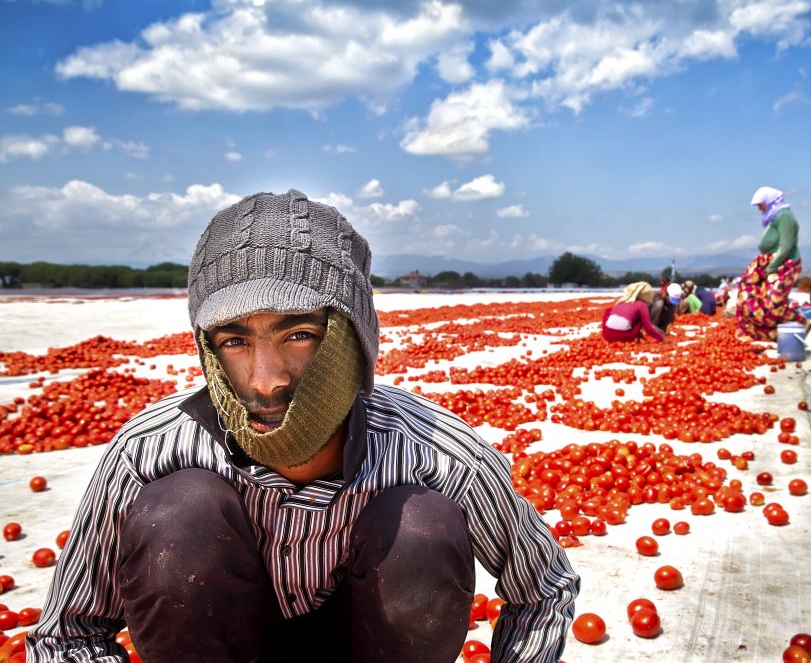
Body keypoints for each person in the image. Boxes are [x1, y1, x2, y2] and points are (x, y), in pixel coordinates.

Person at [27, 189, 580, 663]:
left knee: (420, 524)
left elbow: (544, 589)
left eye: (298, 335)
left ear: (351, 340)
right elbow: (66, 635)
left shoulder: (436, 452)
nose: (265, 381)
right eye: (235, 341)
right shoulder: (150, 451)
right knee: (179, 512)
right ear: (207, 347)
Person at [734, 186, 807, 341]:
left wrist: (772, 267)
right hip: (768, 262)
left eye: (761, 204)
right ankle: (750, 332)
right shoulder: (775, 217)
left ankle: (799, 322)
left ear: (769, 201)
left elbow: (786, 245)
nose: (759, 209)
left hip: (784, 263)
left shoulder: (785, 216)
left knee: (773, 306)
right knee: (748, 296)